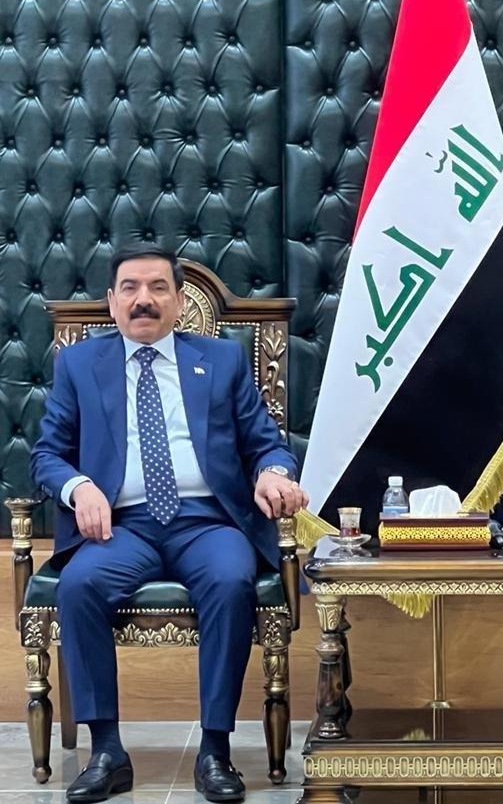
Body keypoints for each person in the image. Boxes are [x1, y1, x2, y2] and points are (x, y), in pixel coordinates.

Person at [31, 244, 308, 804]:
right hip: (121, 526)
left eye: (158, 287)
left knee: (230, 581)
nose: (144, 299)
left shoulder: (222, 361)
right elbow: (46, 455)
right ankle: (107, 752)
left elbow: (267, 444)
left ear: (180, 301)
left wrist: (272, 473)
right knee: (80, 585)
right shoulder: (79, 365)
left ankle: (215, 750)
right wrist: (79, 486)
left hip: (207, 522)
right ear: (111, 301)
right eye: (130, 288)